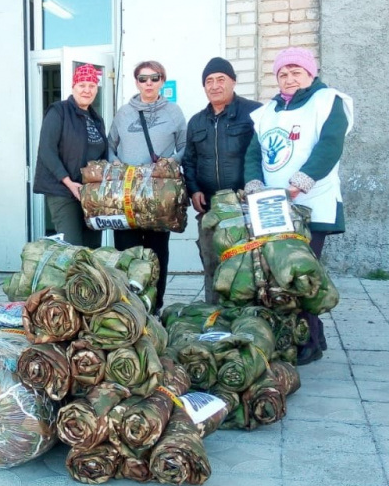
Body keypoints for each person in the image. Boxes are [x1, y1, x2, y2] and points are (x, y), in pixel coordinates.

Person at [244, 47, 355, 365]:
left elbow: (330, 145)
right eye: (283, 74)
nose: (289, 78)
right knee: (278, 275)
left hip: (312, 202)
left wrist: (303, 180)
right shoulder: (267, 111)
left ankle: (309, 341)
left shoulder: (329, 101)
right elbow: (254, 153)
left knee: (301, 274)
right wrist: (254, 183)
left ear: (310, 74)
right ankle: (308, 334)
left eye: (296, 72)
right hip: (274, 206)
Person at [182, 57, 262, 304]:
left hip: (245, 206)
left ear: (233, 82)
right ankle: (215, 314)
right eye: (209, 81)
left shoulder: (255, 112)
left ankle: (249, 316)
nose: (215, 86)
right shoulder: (196, 121)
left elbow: (263, 155)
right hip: (211, 208)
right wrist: (194, 190)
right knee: (212, 265)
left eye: (221, 79)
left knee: (248, 266)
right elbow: (189, 160)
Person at [107, 61, 187, 311]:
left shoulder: (174, 112)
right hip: (127, 197)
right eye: (143, 79)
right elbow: (110, 145)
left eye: (154, 78)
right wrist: (116, 164)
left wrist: (170, 163)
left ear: (162, 80)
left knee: (157, 252)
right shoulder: (123, 113)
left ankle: (155, 306)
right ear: (136, 82)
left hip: (158, 197)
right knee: (126, 252)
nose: (148, 83)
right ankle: (129, 306)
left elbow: (185, 146)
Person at [33, 63, 108, 248]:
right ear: (73, 86)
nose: (87, 90)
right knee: (73, 248)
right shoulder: (59, 111)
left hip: (89, 194)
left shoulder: (96, 119)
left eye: (92, 85)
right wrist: (68, 182)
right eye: (82, 85)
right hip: (63, 191)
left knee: (92, 248)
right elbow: (46, 150)